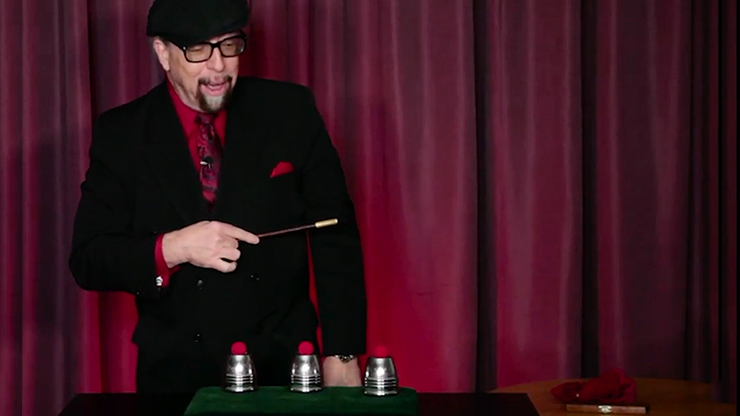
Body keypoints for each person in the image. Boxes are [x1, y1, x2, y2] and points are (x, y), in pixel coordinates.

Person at [69, 0, 367, 393]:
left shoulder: (290, 111)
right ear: (163, 52)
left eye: (229, 45)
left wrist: (343, 354)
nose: (218, 66)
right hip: (176, 375)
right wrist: (174, 247)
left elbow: (335, 235)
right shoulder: (122, 133)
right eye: (197, 49)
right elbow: (89, 259)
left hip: (284, 367)